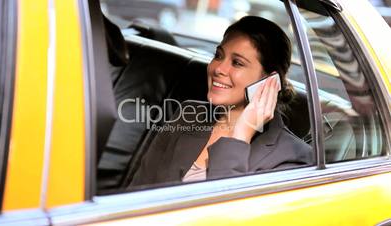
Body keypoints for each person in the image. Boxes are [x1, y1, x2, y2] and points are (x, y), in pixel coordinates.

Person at [126, 16, 312, 189]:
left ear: (271, 81)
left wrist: (240, 136)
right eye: (218, 55)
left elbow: (228, 215)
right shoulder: (188, 115)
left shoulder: (293, 158)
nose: (218, 68)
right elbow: (139, 188)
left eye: (237, 63)